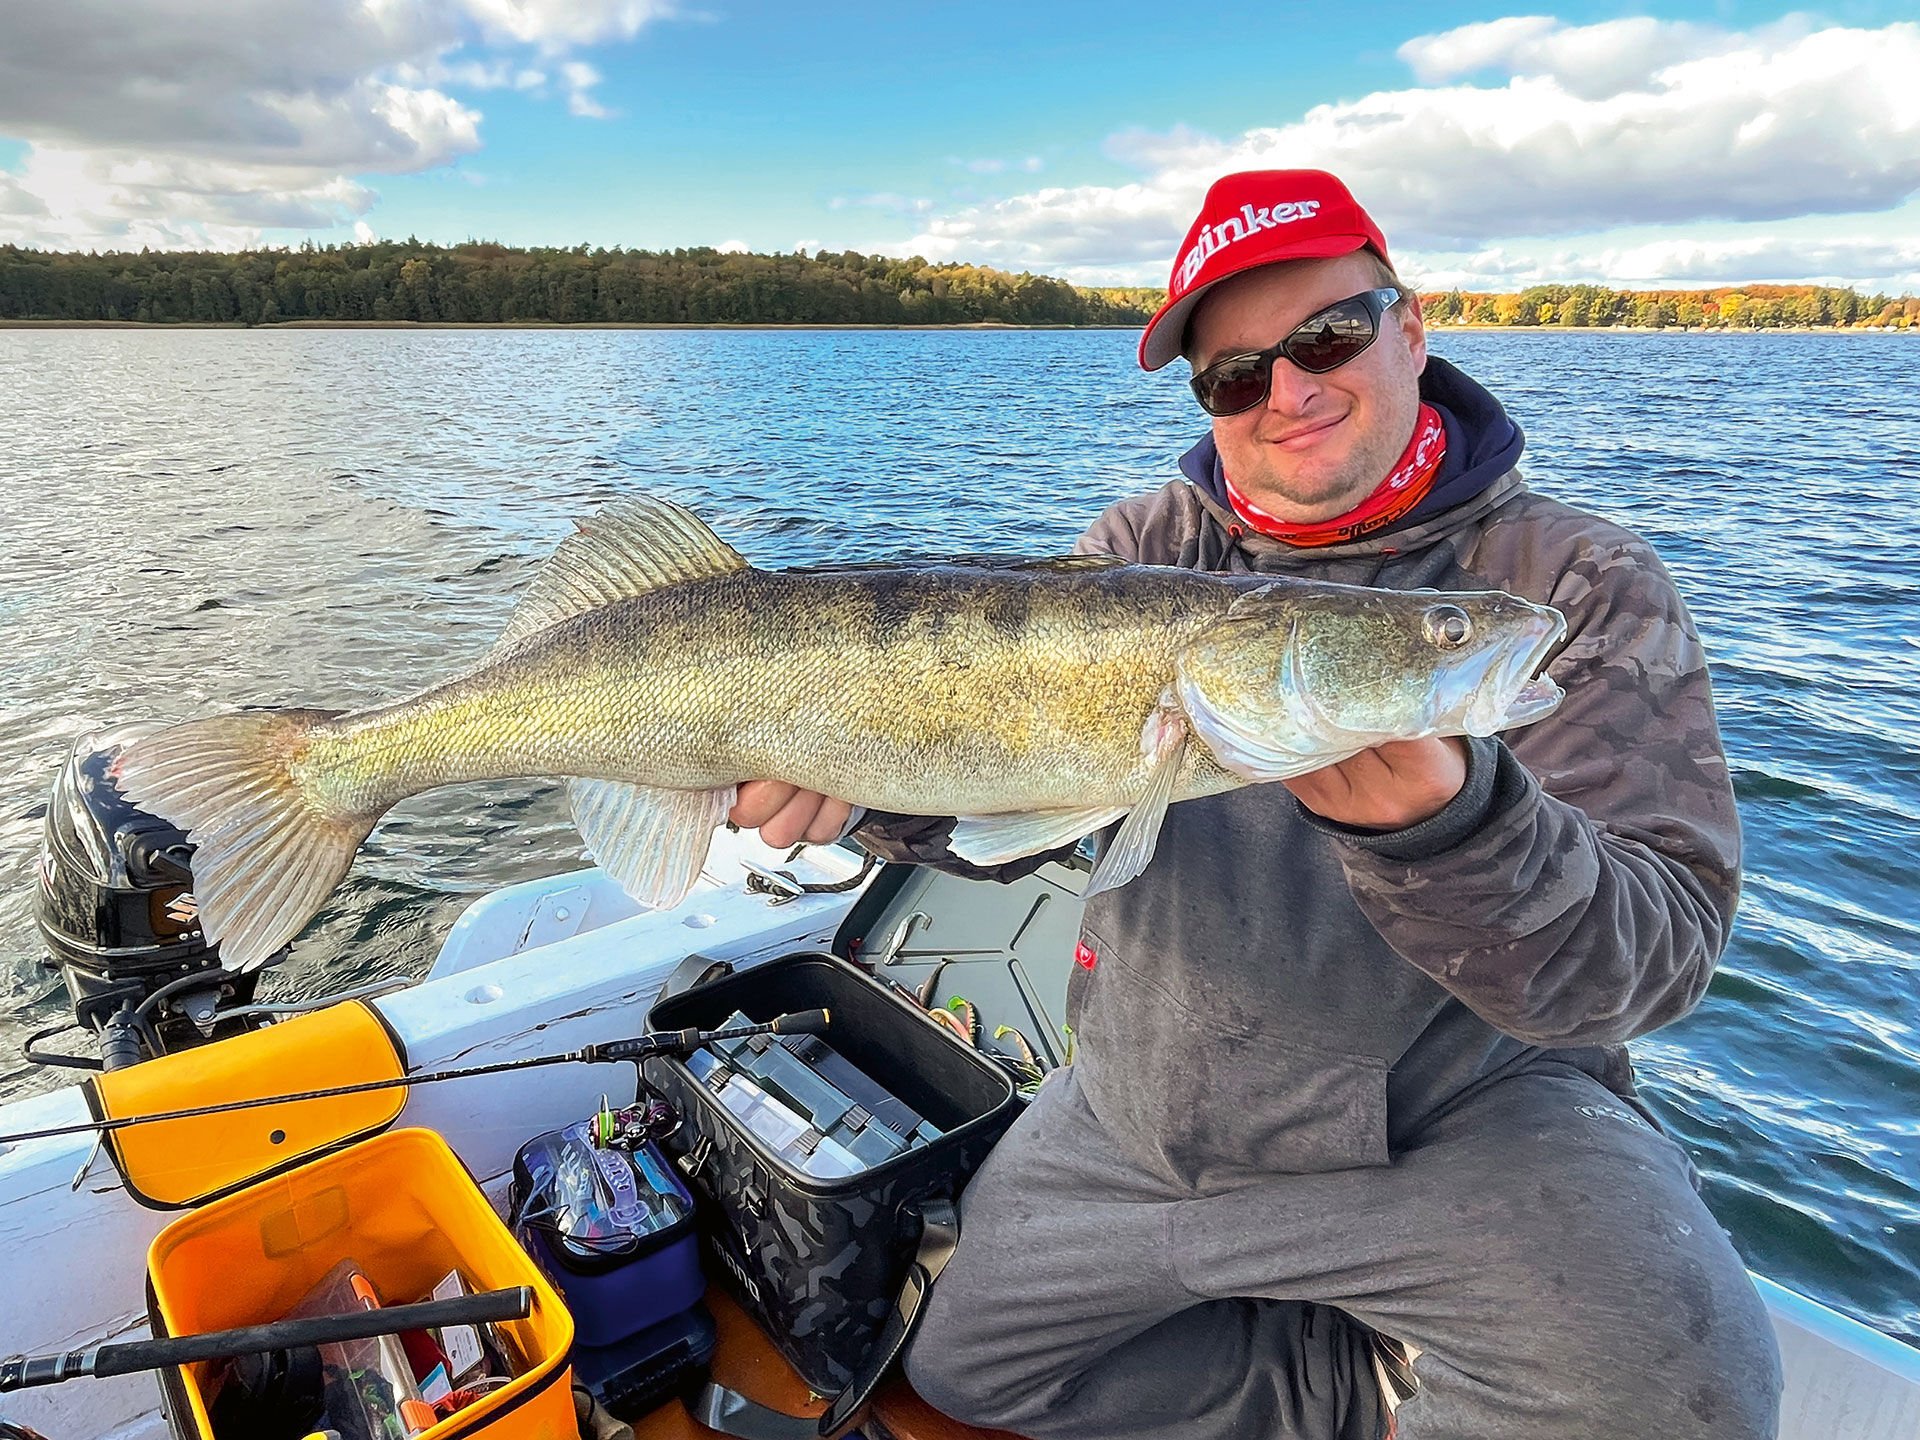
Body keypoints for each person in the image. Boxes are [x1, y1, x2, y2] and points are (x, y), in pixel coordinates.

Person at [729, 170, 1783, 1440]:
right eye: (1232, 374)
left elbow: (1646, 971)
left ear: (1412, 328)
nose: (1286, 391)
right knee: (962, 1372)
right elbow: (1020, 816)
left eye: (1326, 337)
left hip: (1455, 1128)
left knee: (1688, 1400)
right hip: (1148, 1107)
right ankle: (1333, 1389)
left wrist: (1456, 830)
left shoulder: (1572, 586)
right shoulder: (1144, 542)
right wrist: (865, 803)